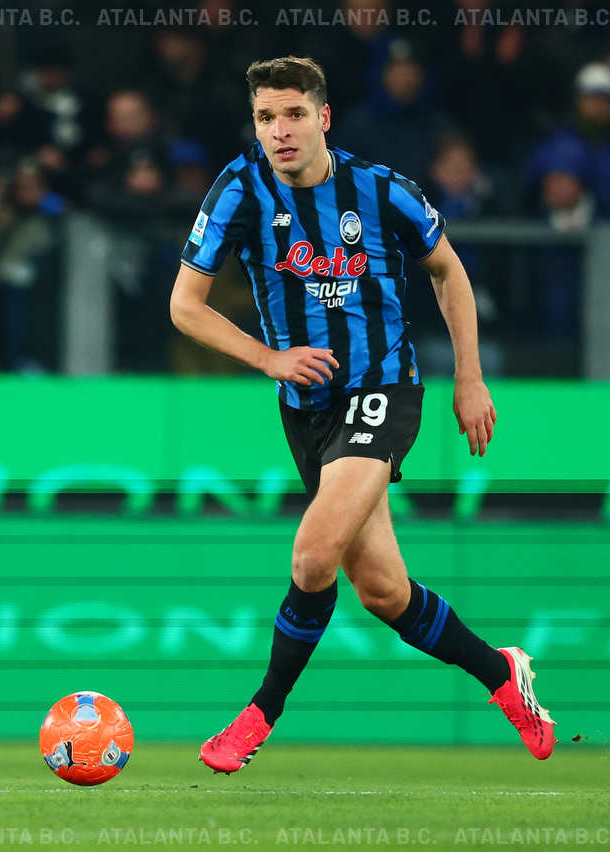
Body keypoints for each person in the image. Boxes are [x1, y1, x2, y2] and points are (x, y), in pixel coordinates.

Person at [168, 56, 555, 773]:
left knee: (313, 555)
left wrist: (470, 377)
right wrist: (269, 358)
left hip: (382, 390)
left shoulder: (381, 190)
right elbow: (184, 306)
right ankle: (502, 673)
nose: (279, 131)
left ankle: (259, 714)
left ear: (323, 117)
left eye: (292, 114)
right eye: (264, 118)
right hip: (306, 407)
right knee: (382, 592)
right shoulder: (238, 189)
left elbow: (448, 271)